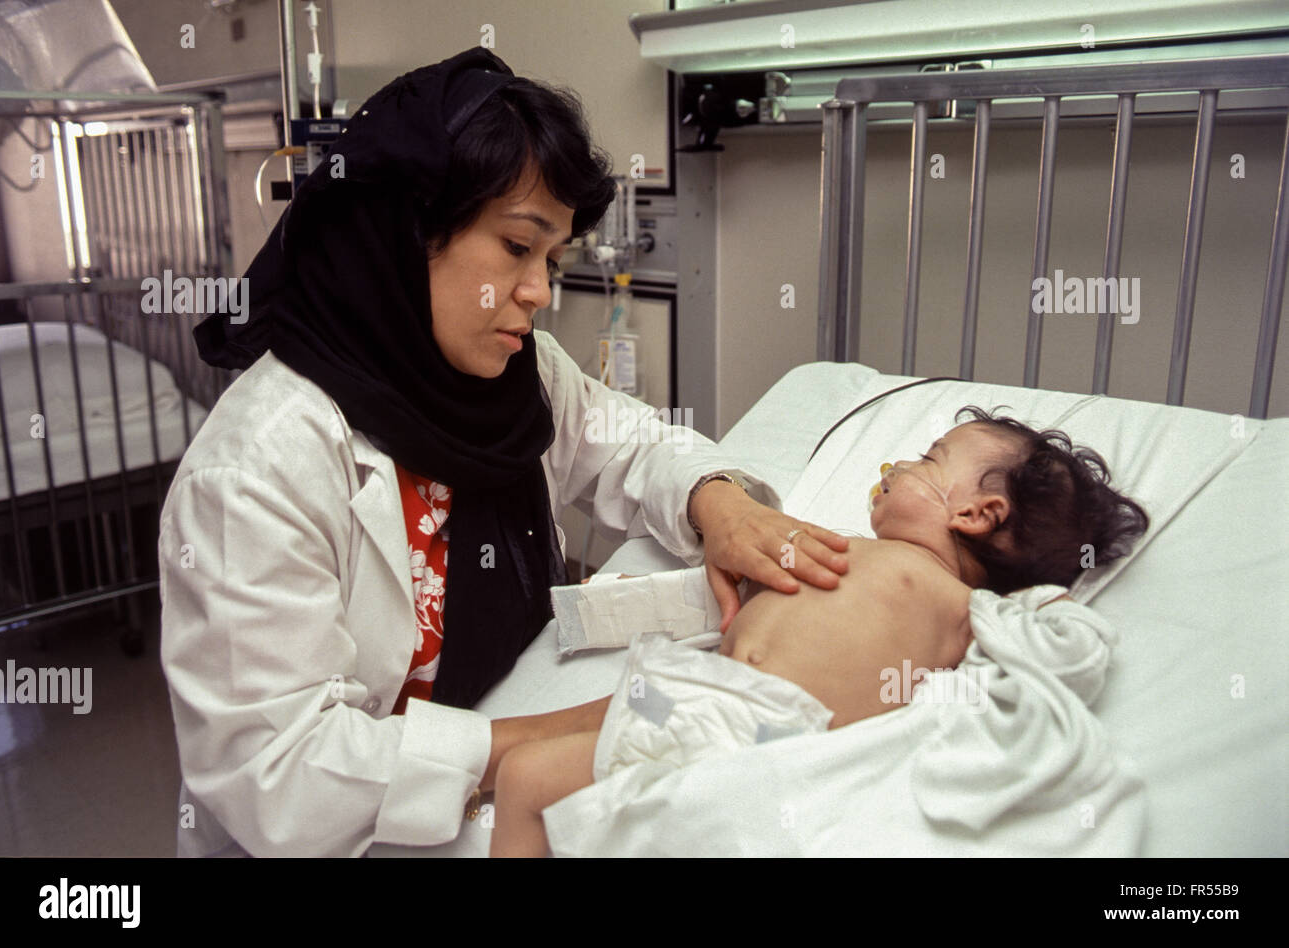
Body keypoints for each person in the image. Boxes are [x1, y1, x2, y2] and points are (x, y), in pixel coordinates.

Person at [157, 47, 850, 858]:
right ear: (405, 231)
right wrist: (554, 735)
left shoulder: (515, 373)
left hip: (494, 748)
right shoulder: (256, 471)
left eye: (552, 259)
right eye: (518, 247)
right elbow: (279, 775)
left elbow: (628, 444)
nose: (540, 293)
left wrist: (719, 503)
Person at [488, 407, 1150, 856]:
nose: (901, 466)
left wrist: (1046, 607)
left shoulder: (961, 608)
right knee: (529, 776)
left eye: (929, 459)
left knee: (538, 783)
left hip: (769, 740)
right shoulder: (828, 545)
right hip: (685, 699)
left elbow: (1055, 650)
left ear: (977, 512)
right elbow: (729, 583)